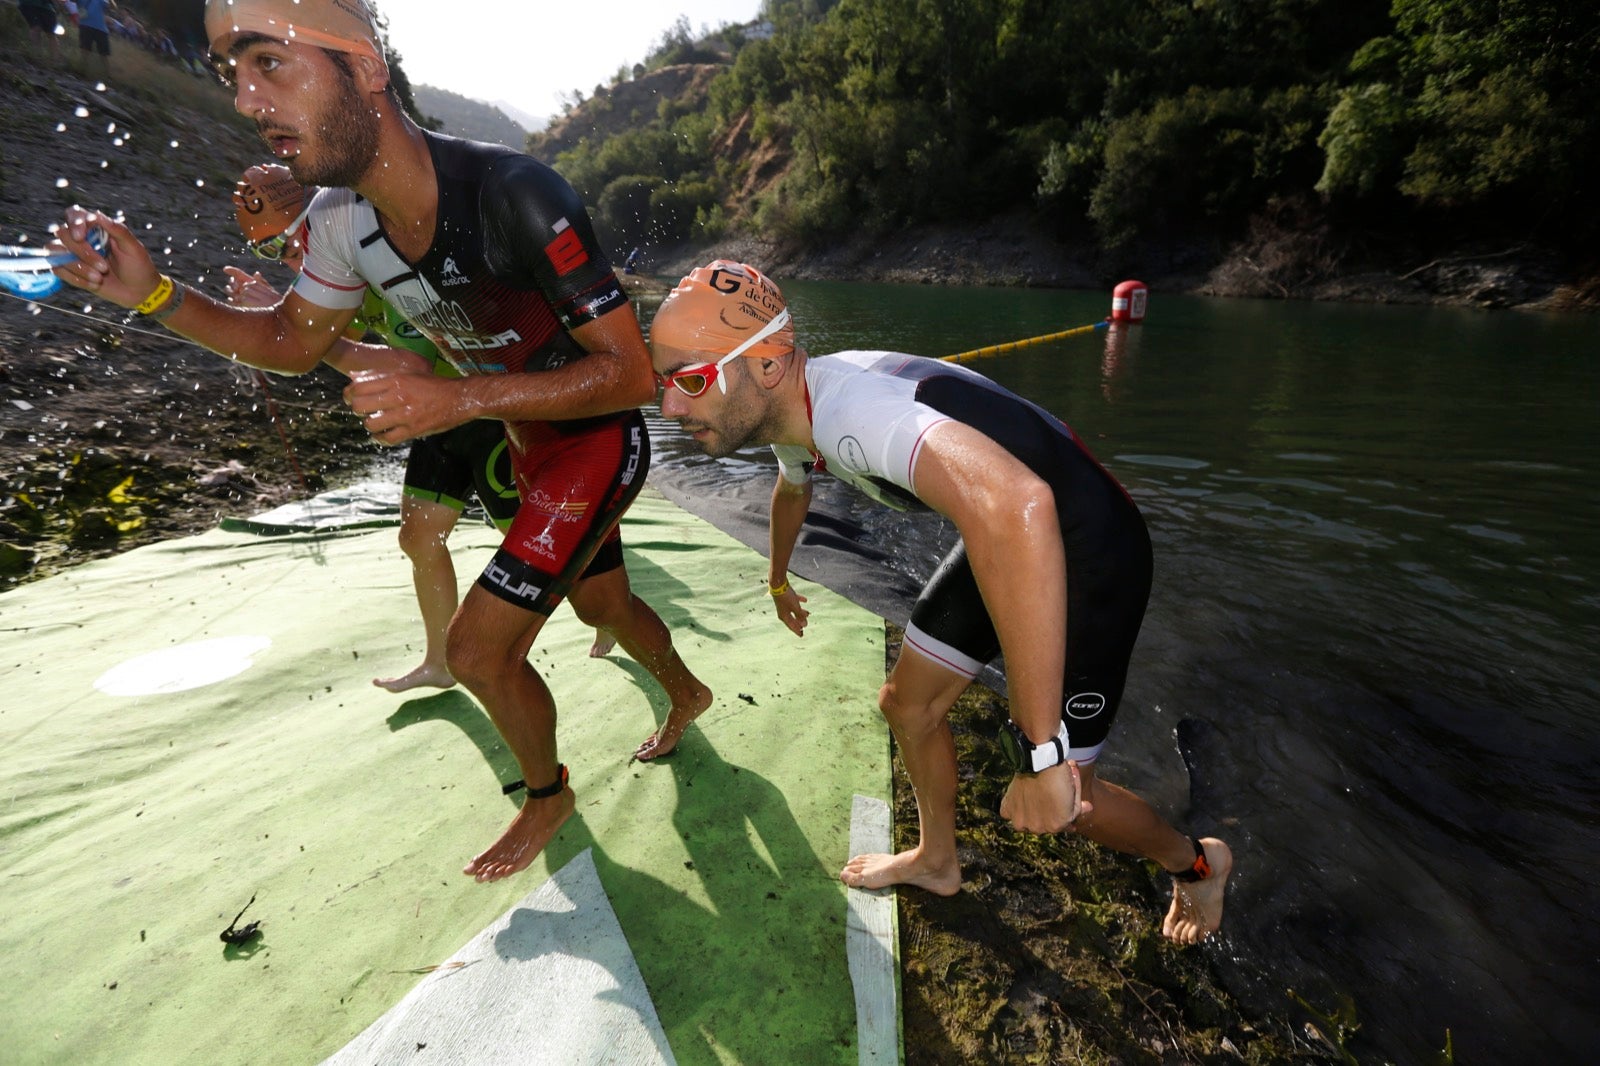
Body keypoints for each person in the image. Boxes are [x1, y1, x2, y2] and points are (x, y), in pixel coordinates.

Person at [50, 0, 711, 883]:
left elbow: (632, 376)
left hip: (593, 444)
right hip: (523, 444)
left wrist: (457, 397)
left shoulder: (516, 193)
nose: (246, 101)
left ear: (364, 70)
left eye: (269, 64)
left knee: (479, 650)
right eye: (231, 77)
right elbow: (291, 343)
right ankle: (687, 688)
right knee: (604, 609)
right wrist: (155, 295)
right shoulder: (335, 222)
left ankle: (548, 797)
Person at [649, 261, 1233, 944]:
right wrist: (779, 581)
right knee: (907, 705)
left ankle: (1197, 864)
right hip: (1010, 534)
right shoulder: (791, 408)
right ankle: (936, 860)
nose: (669, 409)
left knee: (1072, 798)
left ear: (769, 365)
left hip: (1090, 548)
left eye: (690, 382)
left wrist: (1038, 753)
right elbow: (792, 487)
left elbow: (1019, 500)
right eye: (663, 382)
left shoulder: (852, 416)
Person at [225, 164, 618, 691]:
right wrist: (277, 319)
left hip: (485, 407)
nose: (288, 260)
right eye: (268, 252)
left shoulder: (375, 251)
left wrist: (318, 343)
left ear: (315, 219)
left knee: (546, 550)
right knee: (419, 537)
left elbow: (409, 366)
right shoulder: (330, 272)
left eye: (289, 243)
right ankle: (439, 662)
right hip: (437, 416)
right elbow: (337, 341)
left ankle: (612, 612)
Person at [75, 0, 112, 77]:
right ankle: (83, 70)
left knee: (103, 54)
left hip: (98, 28)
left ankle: (108, 75)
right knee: (86, 50)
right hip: (91, 26)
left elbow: (110, 6)